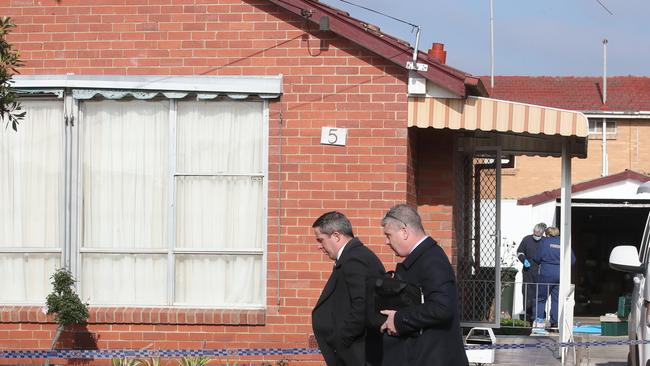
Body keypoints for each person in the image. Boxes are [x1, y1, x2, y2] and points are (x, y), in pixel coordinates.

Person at [378, 204, 468, 366]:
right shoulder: (423, 257)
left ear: (404, 232)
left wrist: (399, 319)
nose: (386, 241)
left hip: (434, 358)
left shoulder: (431, 259)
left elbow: (442, 307)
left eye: (389, 235)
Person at [311, 211, 386, 366]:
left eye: (320, 240)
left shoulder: (354, 258)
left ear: (336, 236)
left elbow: (361, 304)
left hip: (356, 354)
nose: (318, 246)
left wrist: (342, 340)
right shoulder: (352, 257)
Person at [533, 226, 576, 328]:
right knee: (556, 299)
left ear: (547, 234)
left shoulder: (544, 242)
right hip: (560, 274)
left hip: (546, 273)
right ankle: (555, 322)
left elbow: (536, 257)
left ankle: (539, 321)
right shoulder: (564, 242)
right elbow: (572, 260)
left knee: (540, 298)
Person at [516, 222, 547, 323]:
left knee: (539, 294)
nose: (536, 235)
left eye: (538, 234)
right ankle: (528, 316)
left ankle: (539, 316)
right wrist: (523, 259)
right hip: (527, 271)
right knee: (527, 294)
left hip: (540, 272)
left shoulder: (545, 241)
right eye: (535, 233)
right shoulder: (527, 239)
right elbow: (519, 251)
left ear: (542, 233)